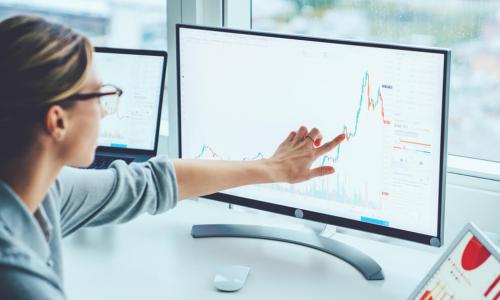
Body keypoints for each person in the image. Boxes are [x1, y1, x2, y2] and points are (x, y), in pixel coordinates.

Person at [0, 15, 345, 299]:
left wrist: (274, 168)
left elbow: (150, 182)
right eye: (99, 96)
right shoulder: (16, 277)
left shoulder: (40, 191)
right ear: (57, 121)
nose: (105, 111)